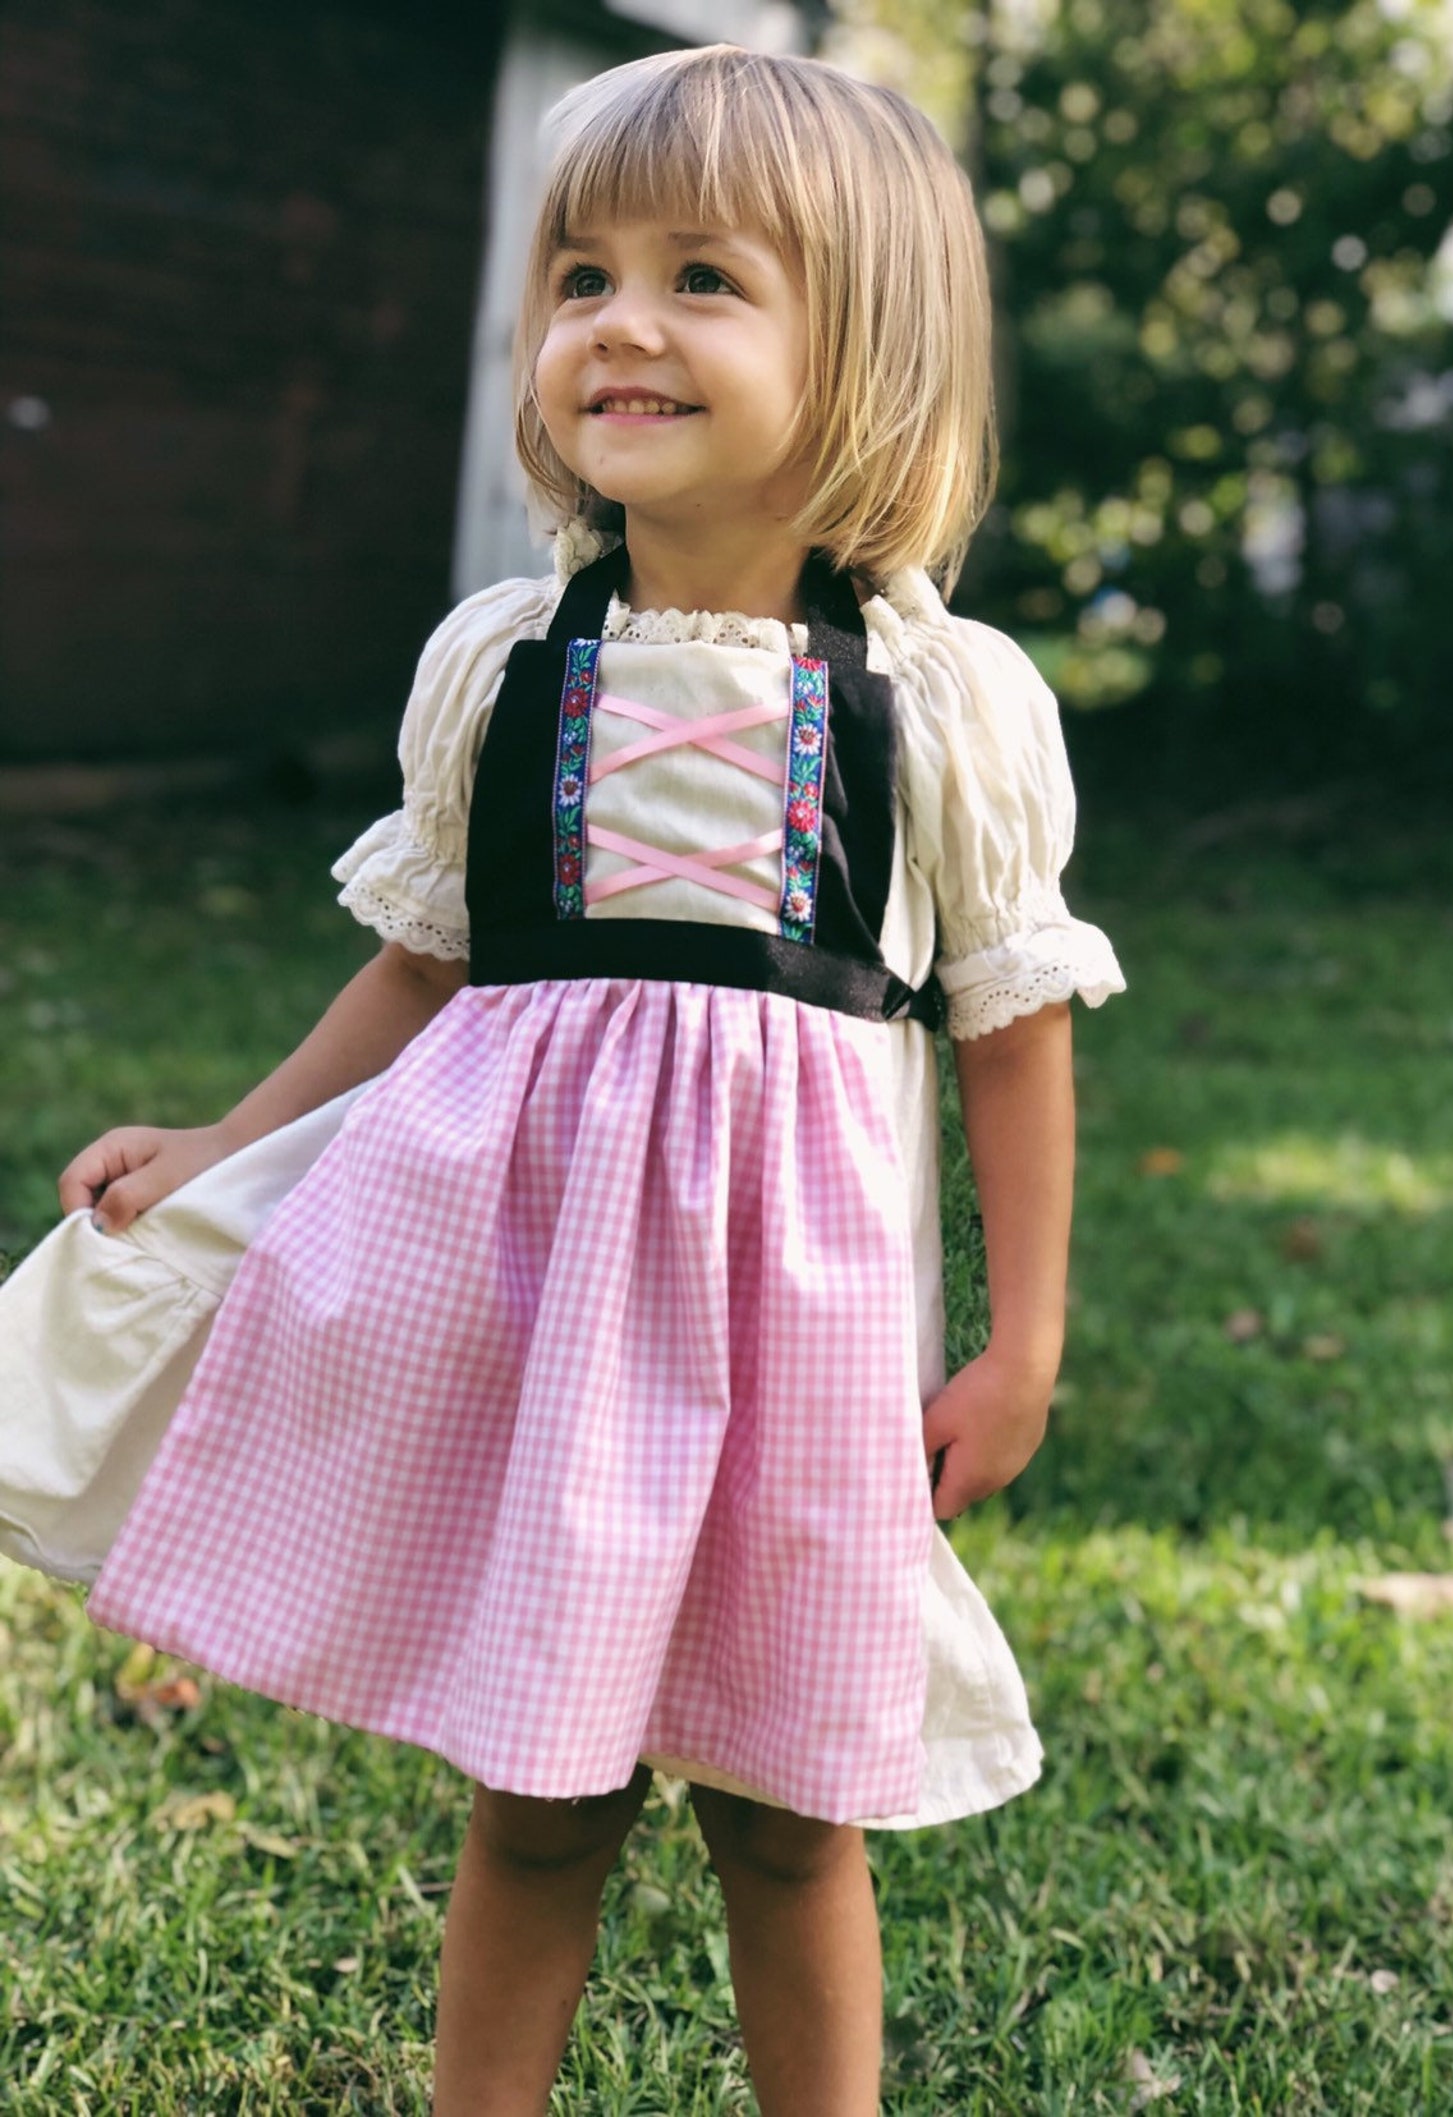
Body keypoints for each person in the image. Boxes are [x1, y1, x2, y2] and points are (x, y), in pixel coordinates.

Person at [1, 43, 1123, 2116]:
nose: (619, 321)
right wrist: (230, 1143)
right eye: (579, 274)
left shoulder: (936, 705)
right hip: (538, 1307)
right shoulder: (509, 662)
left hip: (794, 1324)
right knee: (541, 1787)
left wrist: (1023, 1337)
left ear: (856, 344)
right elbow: (419, 961)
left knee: (788, 1810)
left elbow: (1010, 1022)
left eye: (701, 276)